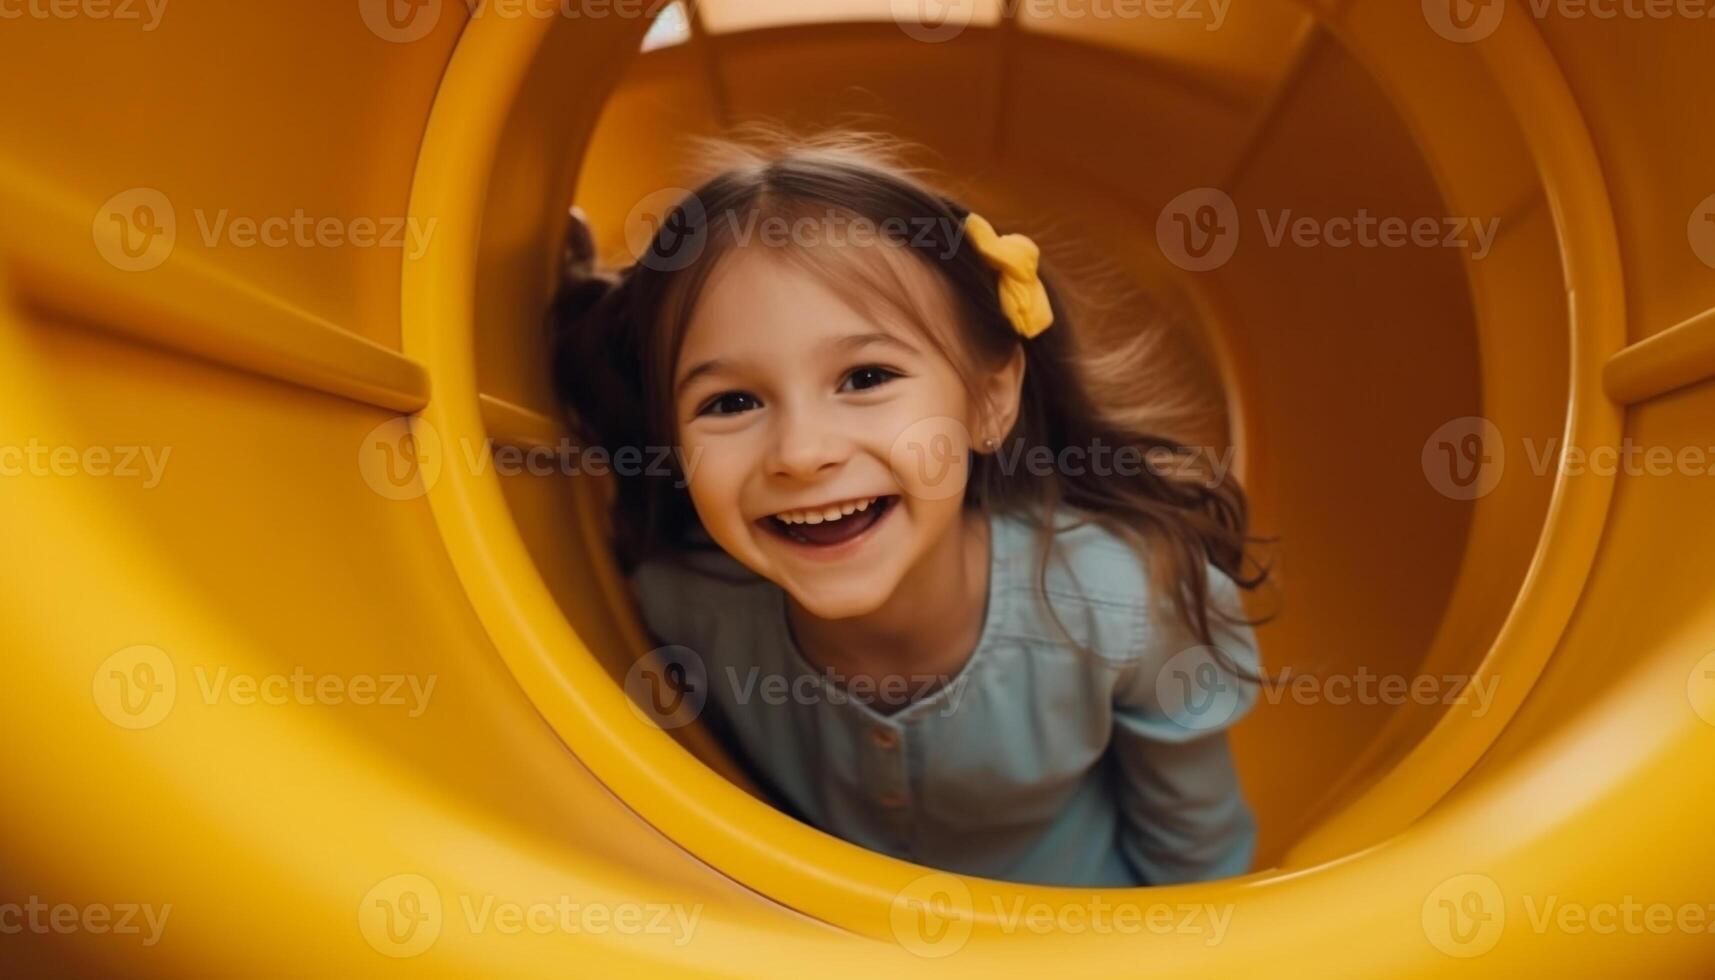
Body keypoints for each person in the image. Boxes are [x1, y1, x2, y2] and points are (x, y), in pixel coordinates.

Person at [550, 129, 1269, 887]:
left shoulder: (1122, 602)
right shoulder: (679, 606)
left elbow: (1198, 857)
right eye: (730, 401)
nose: (801, 452)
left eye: (864, 378)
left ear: (990, 399)